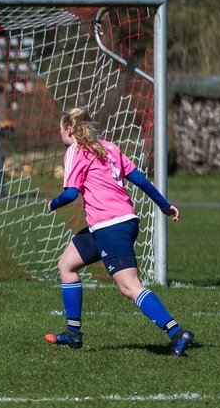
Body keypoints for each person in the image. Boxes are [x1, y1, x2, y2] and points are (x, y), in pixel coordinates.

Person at [43, 108, 194, 356]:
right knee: (67, 265)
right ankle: (73, 333)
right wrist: (165, 206)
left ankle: (176, 332)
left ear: (68, 129)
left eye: (60, 130)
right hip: (118, 222)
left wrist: (52, 203)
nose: (60, 134)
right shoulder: (109, 147)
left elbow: (70, 193)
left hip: (110, 226)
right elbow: (141, 180)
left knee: (129, 286)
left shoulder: (75, 150)